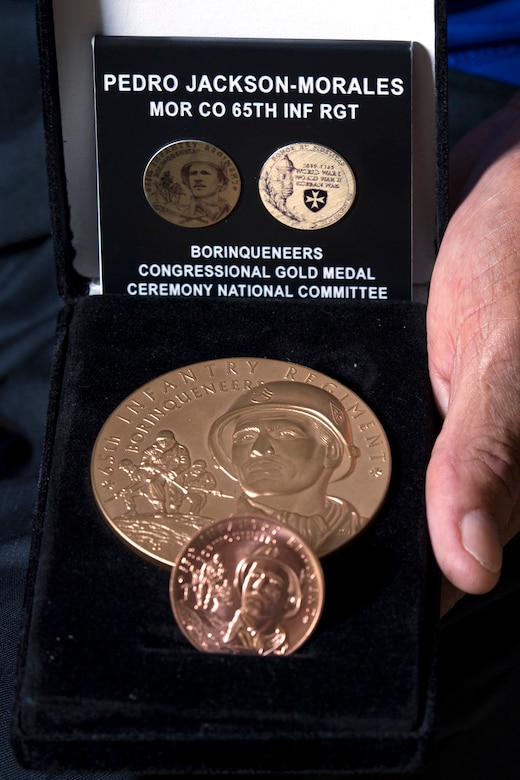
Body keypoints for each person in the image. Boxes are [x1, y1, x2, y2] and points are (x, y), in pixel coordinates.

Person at [208, 381, 363, 555]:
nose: (258, 450)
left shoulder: (360, 528)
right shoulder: (208, 540)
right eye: (245, 437)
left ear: (331, 451)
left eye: (285, 434)